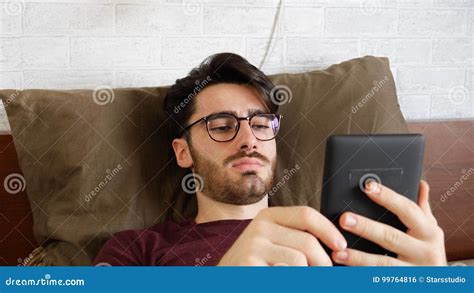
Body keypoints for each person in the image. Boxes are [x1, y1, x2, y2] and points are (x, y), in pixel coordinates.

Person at [93, 53, 447, 266]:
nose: (249, 140)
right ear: (183, 152)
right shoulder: (136, 250)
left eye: (261, 124)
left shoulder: (344, 240)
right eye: (221, 125)